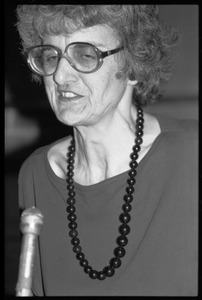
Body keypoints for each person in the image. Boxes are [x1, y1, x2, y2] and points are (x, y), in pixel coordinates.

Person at [16, 5, 198, 296]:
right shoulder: (36, 175)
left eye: (85, 55)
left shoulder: (192, 155)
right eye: (51, 56)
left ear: (133, 66)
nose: (61, 76)